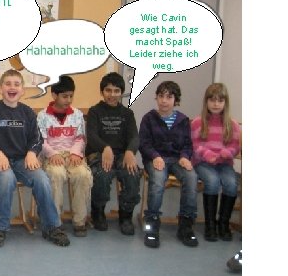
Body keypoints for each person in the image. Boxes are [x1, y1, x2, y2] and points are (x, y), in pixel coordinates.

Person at [0, 69, 67, 248]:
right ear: (1, 89)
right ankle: (0, 228)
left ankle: (51, 226)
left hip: (22, 161)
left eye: (16, 84)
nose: (12, 87)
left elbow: (37, 139)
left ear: (23, 90)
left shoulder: (27, 112)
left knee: (42, 179)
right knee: (7, 179)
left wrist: (32, 153)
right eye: (8, 84)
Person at [139, 80, 198, 248]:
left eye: (169, 97)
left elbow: (188, 144)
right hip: (155, 159)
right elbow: (144, 143)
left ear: (176, 100)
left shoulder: (183, 120)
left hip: (177, 159)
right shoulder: (148, 118)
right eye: (161, 96)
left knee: (192, 177)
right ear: (156, 98)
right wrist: (155, 156)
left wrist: (185, 156)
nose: (164, 101)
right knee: (158, 179)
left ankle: (186, 225)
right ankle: (152, 225)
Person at [85, 72, 141, 235]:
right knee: (102, 174)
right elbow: (92, 136)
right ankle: (98, 212)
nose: (112, 94)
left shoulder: (127, 114)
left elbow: (134, 137)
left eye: (116, 91)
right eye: (108, 90)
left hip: (121, 155)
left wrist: (130, 151)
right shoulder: (94, 111)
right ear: (102, 92)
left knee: (132, 174)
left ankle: (126, 215)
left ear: (121, 92)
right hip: (98, 153)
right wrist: (105, 148)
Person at [37, 75, 93, 236]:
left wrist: (75, 153)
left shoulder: (77, 114)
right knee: (56, 175)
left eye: (71, 96)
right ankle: (55, 221)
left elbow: (80, 138)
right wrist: (52, 154)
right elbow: (41, 140)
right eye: (64, 96)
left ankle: (79, 220)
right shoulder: (42, 116)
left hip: (73, 155)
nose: (68, 100)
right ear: (54, 95)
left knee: (83, 175)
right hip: (52, 156)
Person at [191, 83, 241, 242]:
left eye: (220, 100)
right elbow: (194, 145)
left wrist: (228, 152)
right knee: (212, 182)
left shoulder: (232, 125)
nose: (216, 104)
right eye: (212, 100)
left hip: (224, 163)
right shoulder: (198, 122)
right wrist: (206, 153)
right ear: (206, 101)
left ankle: (223, 224)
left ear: (225, 102)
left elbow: (235, 146)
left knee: (231, 184)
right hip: (203, 163)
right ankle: (210, 225)